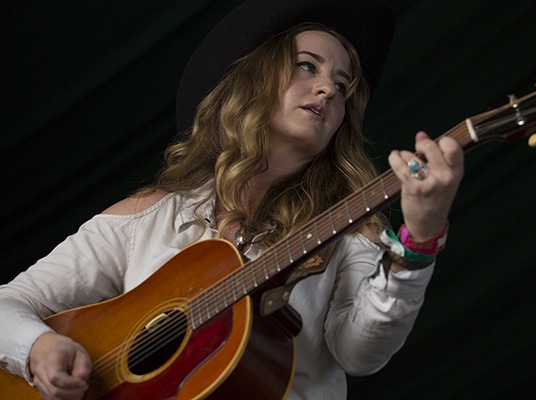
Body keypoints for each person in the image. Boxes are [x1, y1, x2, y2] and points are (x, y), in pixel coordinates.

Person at [0, 0, 464, 399]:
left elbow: (361, 353)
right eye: (307, 66)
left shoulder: (353, 229)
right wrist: (39, 348)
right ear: (254, 78)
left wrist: (420, 242)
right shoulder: (149, 218)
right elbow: (9, 303)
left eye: (342, 86)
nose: (327, 88)